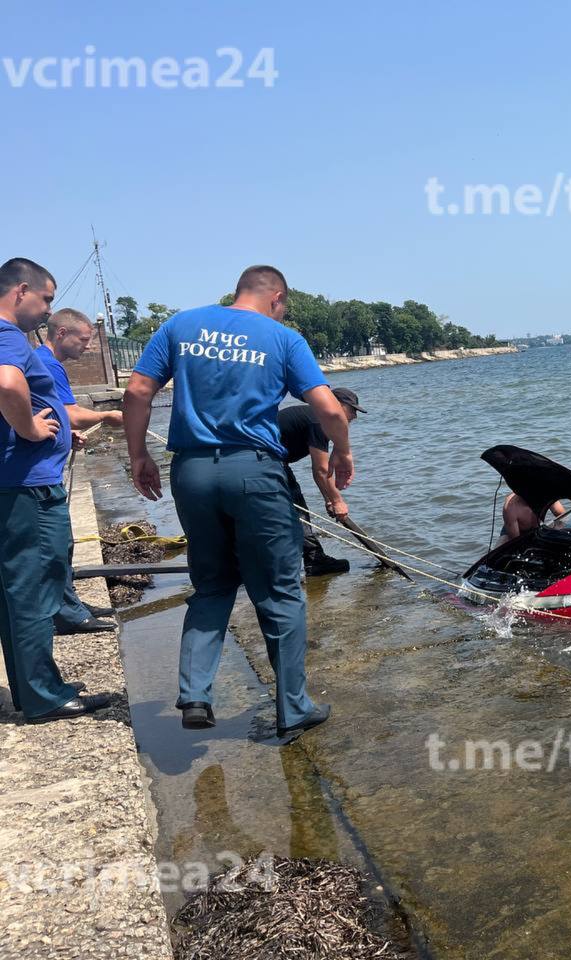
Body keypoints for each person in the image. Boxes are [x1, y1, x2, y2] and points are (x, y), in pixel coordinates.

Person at [123, 265, 354, 739]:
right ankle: (293, 707)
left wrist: (138, 455)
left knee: (211, 585)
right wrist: (344, 453)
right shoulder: (282, 337)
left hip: (190, 470)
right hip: (253, 471)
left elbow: (137, 391)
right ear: (277, 297)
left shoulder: (180, 325)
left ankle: (193, 695)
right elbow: (328, 408)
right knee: (280, 589)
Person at [0, 258, 111, 722]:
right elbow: (7, 384)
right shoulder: (7, 335)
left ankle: (33, 688)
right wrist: (27, 428)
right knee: (33, 588)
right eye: (45, 299)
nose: (48, 309)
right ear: (21, 290)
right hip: (25, 486)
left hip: (16, 484)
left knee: (16, 590)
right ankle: (44, 695)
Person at [36, 307, 121, 633]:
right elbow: (69, 412)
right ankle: (67, 613)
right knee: (54, 543)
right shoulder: (48, 364)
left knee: (62, 541)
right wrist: (105, 417)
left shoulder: (46, 363)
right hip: (39, 476)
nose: (87, 347)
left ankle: (69, 602)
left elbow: (51, 412)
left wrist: (64, 435)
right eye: (83, 340)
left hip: (48, 467)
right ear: (61, 334)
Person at [277, 386, 364, 576]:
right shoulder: (318, 422)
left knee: (290, 511)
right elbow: (321, 471)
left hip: (266, 461)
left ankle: (312, 558)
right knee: (297, 510)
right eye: (353, 410)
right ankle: (315, 560)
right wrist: (338, 501)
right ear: (338, 405)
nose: (354, 417)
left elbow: (320, 471)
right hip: (268, 463)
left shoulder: (316, 418)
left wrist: (329, 499)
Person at [498, 492, 565, 545]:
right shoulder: (510, 506)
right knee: (498, 551)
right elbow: (516, 542)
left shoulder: (546, 494)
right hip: (513, 532)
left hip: (537, 528)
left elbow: (563, 516)